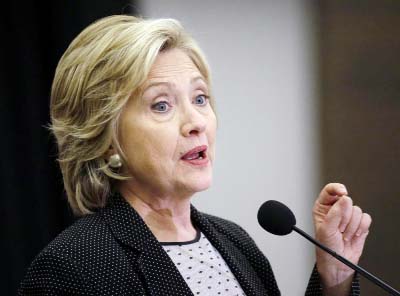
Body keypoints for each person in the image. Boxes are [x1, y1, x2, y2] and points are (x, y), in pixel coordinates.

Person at [18, 15, 372, 295]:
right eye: (161, 105)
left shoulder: (235, 242)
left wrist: (335, 278)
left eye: (200, 98)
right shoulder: (74, 267)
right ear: (107, 137)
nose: (196, 122)